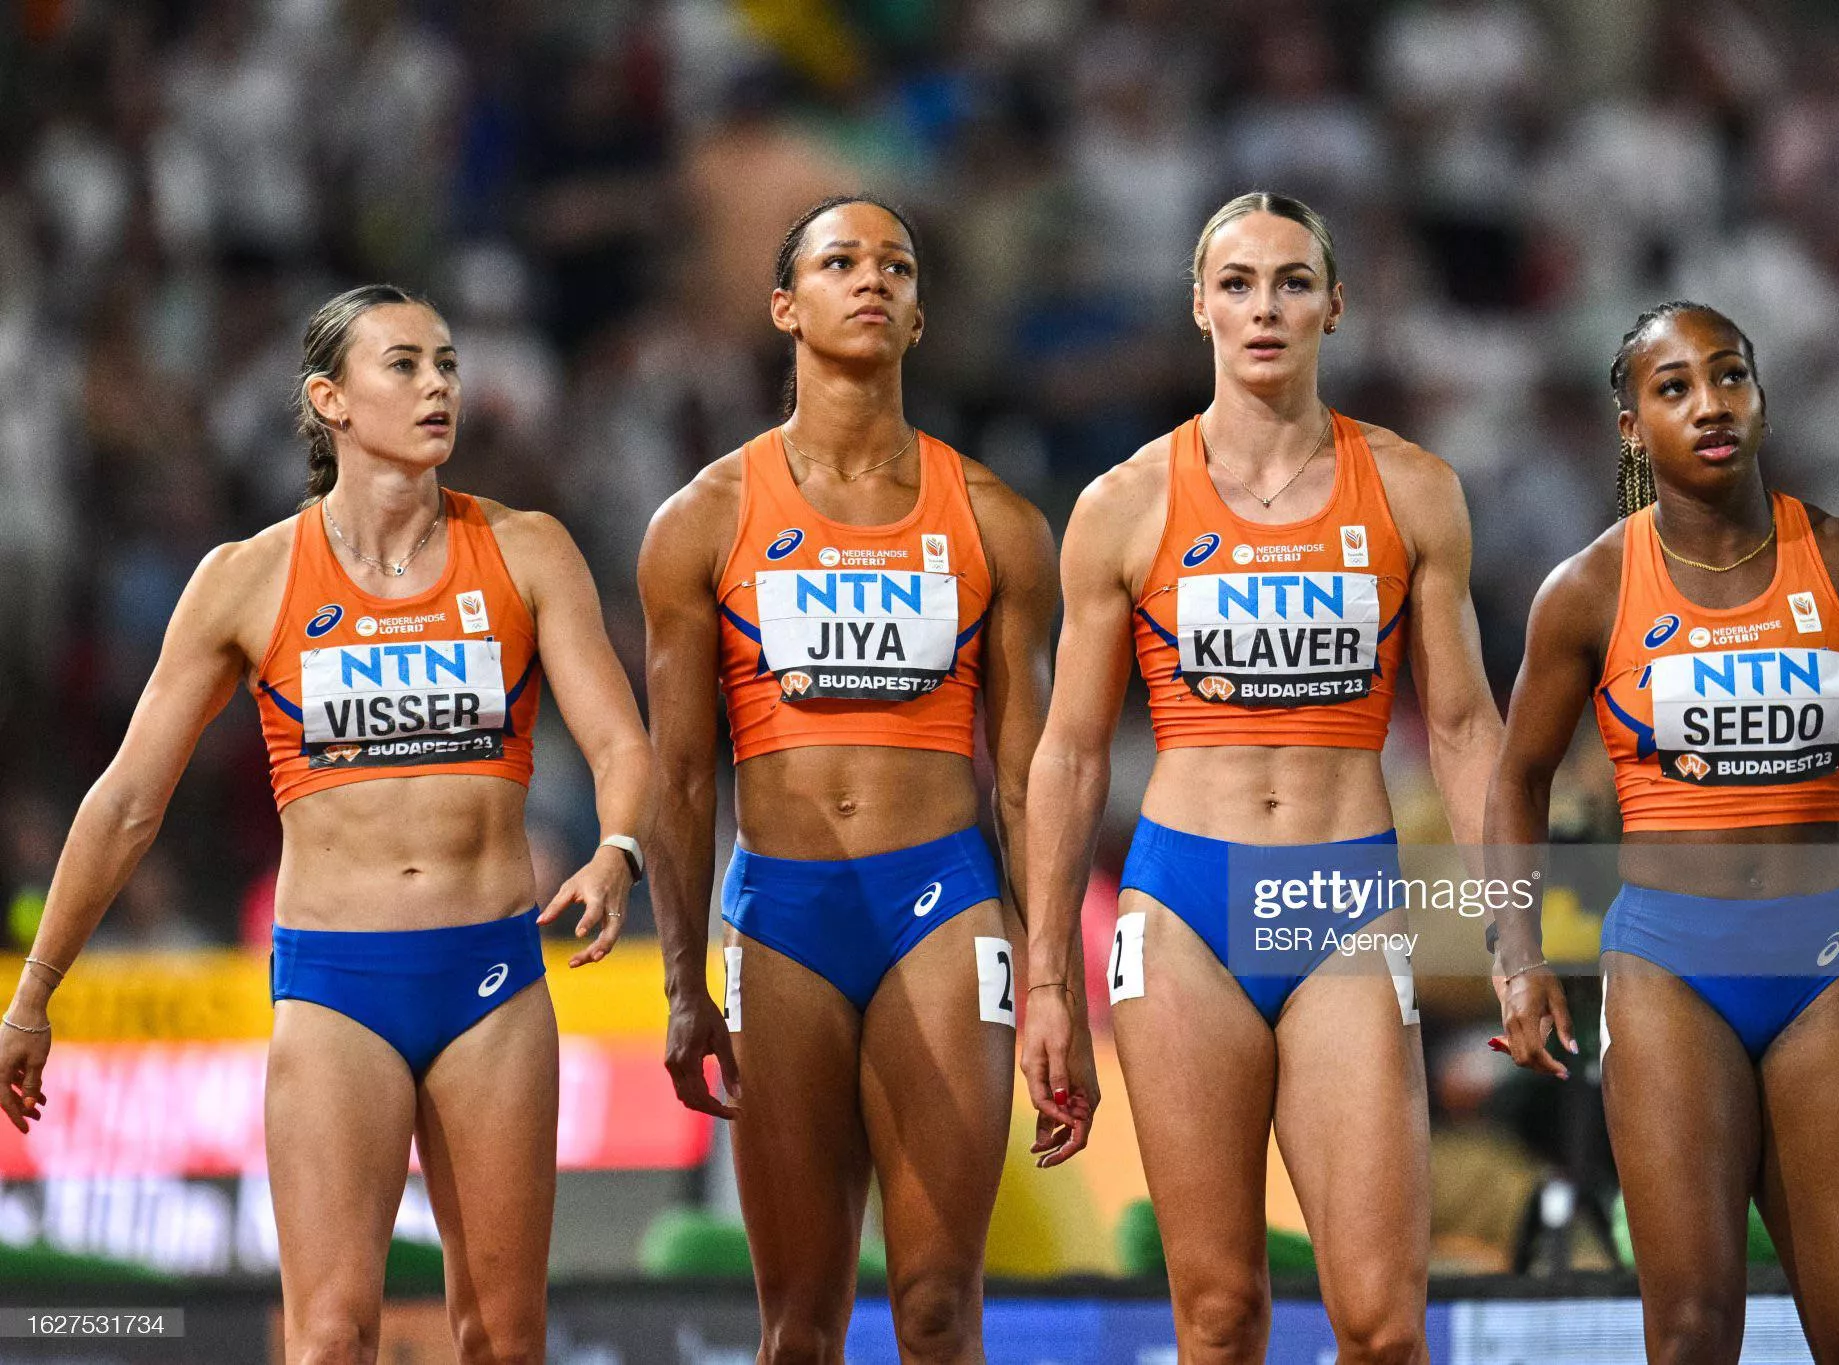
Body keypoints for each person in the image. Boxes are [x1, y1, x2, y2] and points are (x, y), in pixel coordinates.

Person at [0, 284, 654, 1365]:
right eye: (405, 364)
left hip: (491, 978)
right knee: (329, 1336)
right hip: (336, 986)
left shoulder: (528, 551)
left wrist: (618, 848)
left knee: (503, 1336)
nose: (439, 385)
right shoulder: (247, 579)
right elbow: (125, 800)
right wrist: (34, 993)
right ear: (328, 400)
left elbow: (623, 746)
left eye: (447, 364)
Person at [1021, 191, 1502, 1362]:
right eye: (1236, 284)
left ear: (1334, 306)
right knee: (1218, 1314)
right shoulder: (1122, 505)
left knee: (1380, 1324)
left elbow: (1462, 727)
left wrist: (1511, 929)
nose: (1264, 307)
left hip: (1343, 901)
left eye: (1291, 282)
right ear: (1199, 308)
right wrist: (1045, 980)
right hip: (1184, 905)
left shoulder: (1412, 489)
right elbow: (1069, 754)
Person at [1488, 301, 1839, 1362]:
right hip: (1668, 967)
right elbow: (1518, 780)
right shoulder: (1587, 589)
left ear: (1762, 397)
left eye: (1729, 375)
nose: (1709, 404)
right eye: (1673, 387)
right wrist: (1517, 956)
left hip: (1824, 963)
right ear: (1632, 428)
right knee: (1690, 1335)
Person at [640, 196, 1065, 1364]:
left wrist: (1053, 985)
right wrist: (680, 981)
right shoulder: (701, 522)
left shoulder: (996, 522)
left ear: (919, 316)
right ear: (785, 307)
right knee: (797, 1327)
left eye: (896, 266)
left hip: (943, 904)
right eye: (840, 262)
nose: (871, 279)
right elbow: (679, 781)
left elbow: (1027, 782)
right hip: (781, 915)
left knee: (935, 1310)